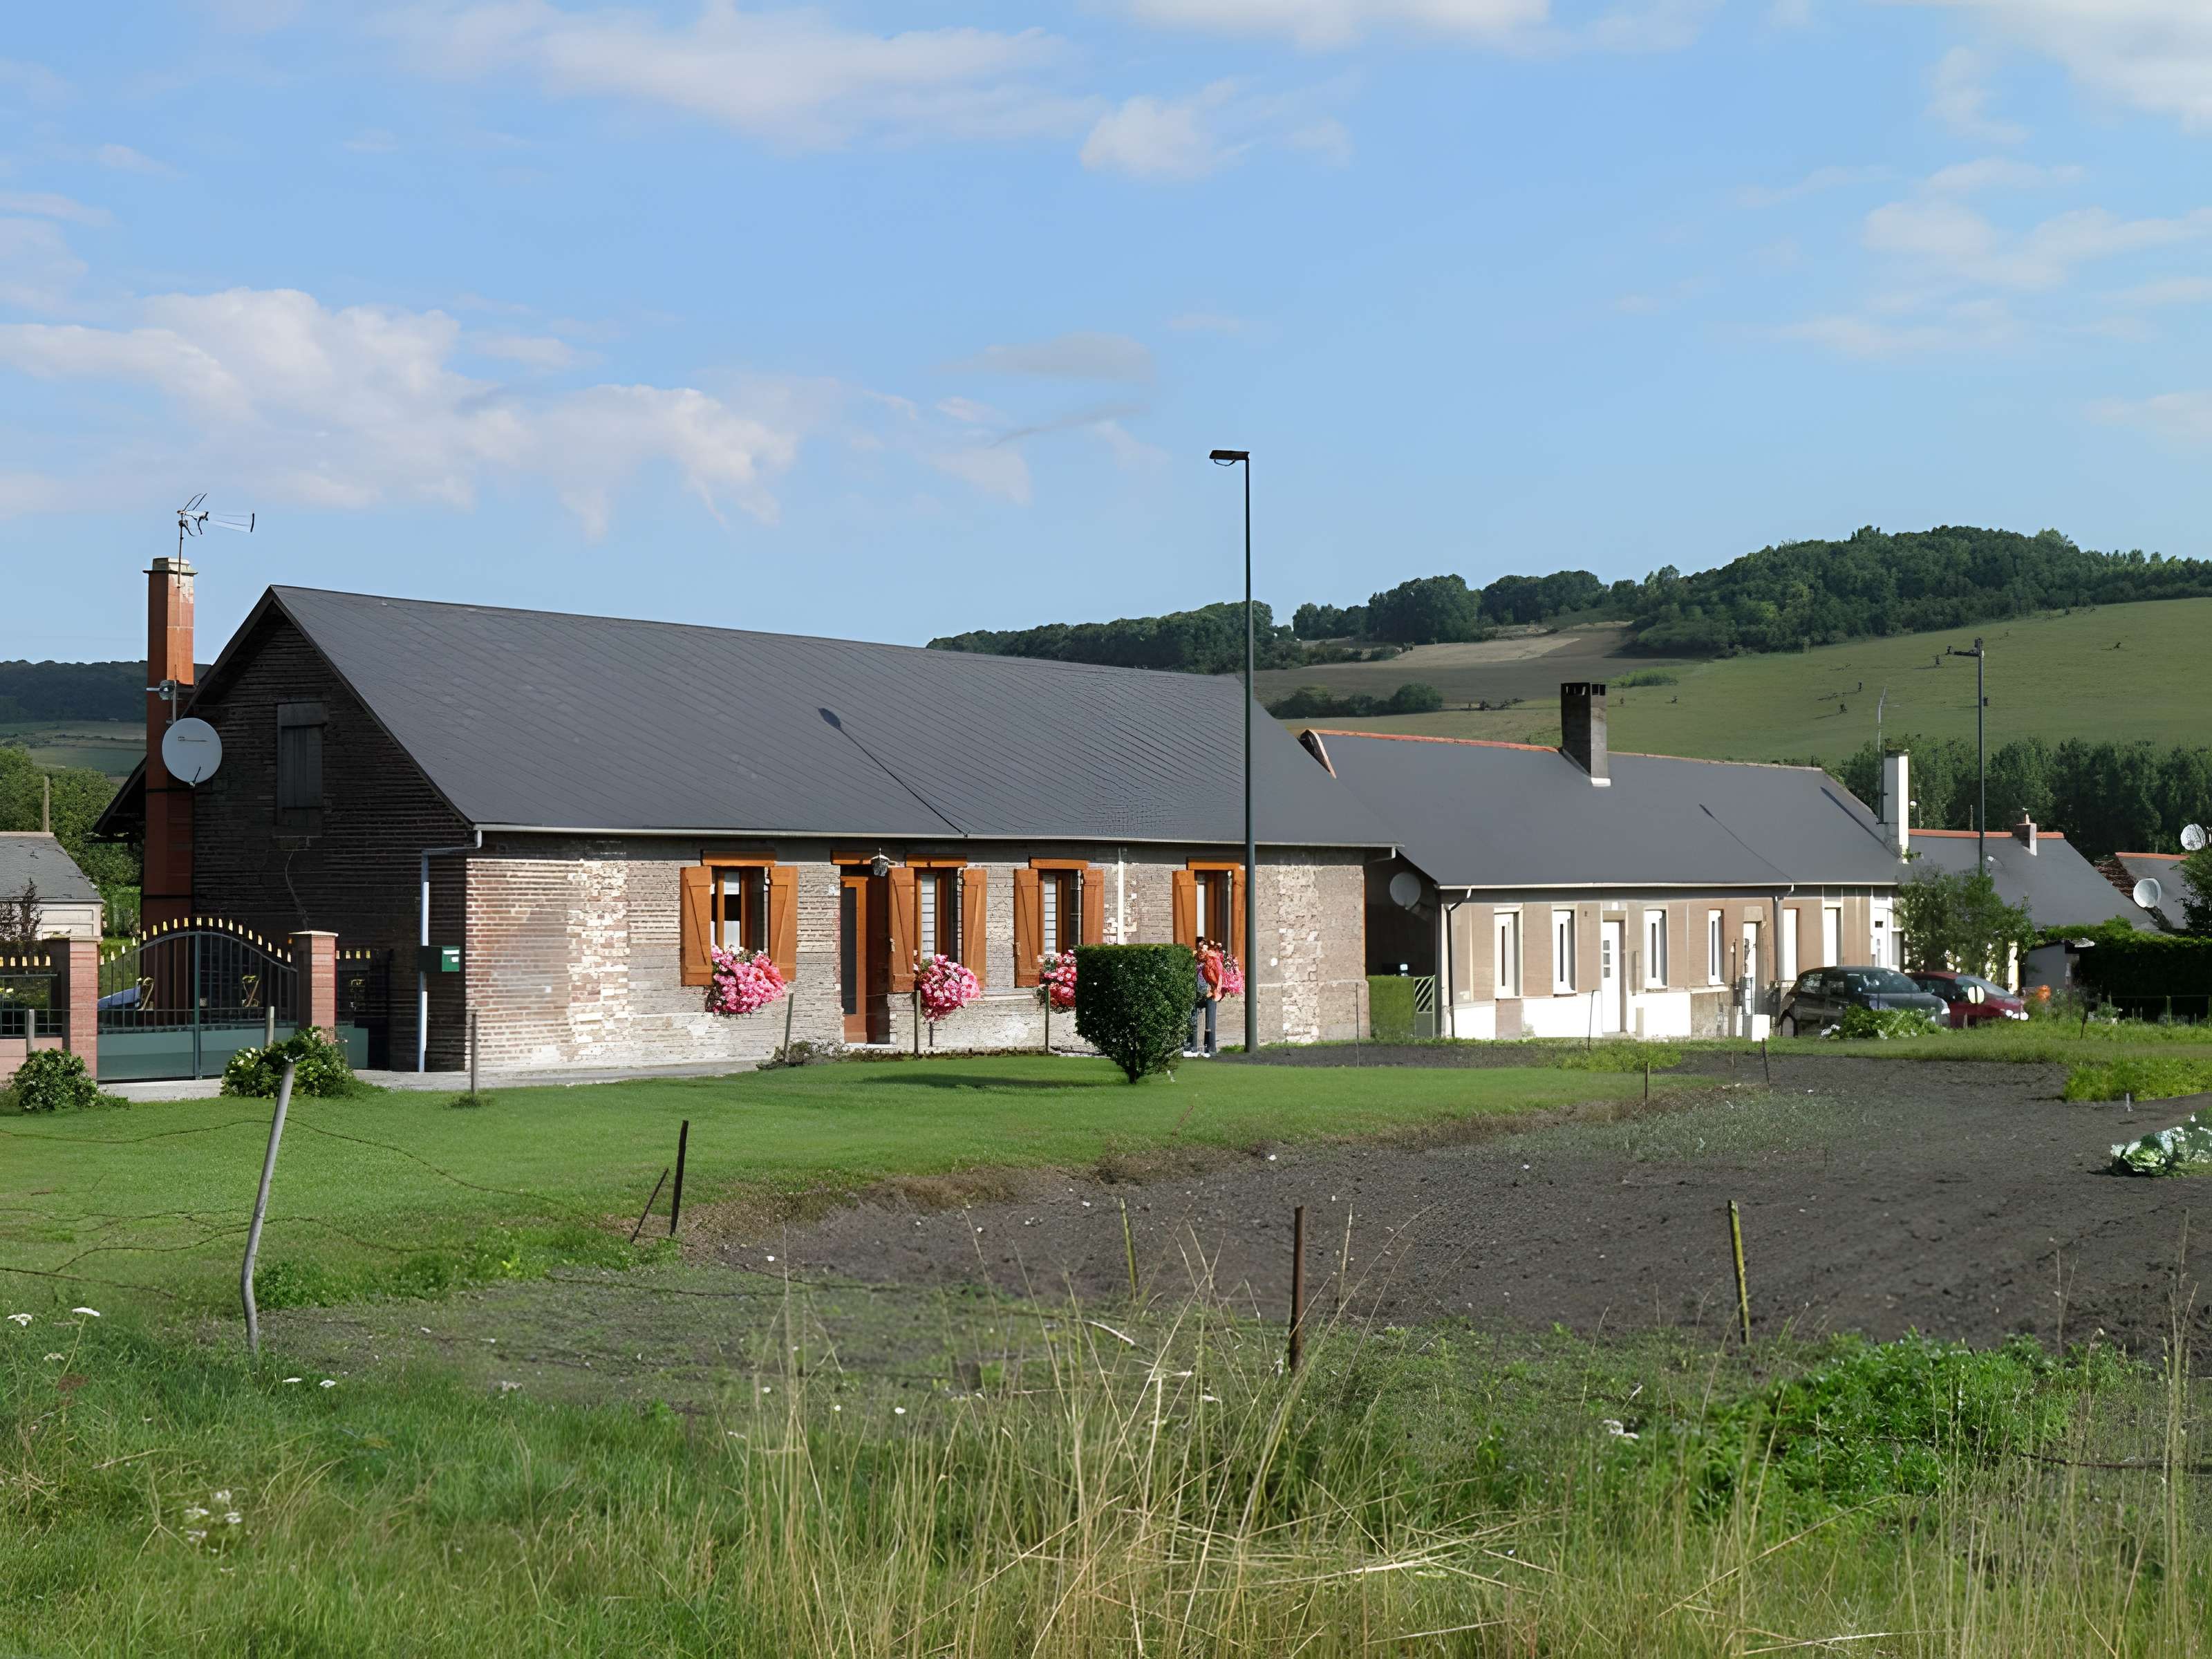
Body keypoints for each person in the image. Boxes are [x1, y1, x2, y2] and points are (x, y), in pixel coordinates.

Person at [1189, 937, 1223, 1058]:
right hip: (1195, 991)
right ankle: (1191, 1047)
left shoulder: (1213, 959)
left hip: (1210, 991)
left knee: (1210, 1023)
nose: (1201, 949)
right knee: (1192, 1020)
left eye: (1203, 946)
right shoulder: (1193, 958)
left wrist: (1216, 991)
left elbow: (1217, 975)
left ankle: (1209, 1048)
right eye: (1199, 946)